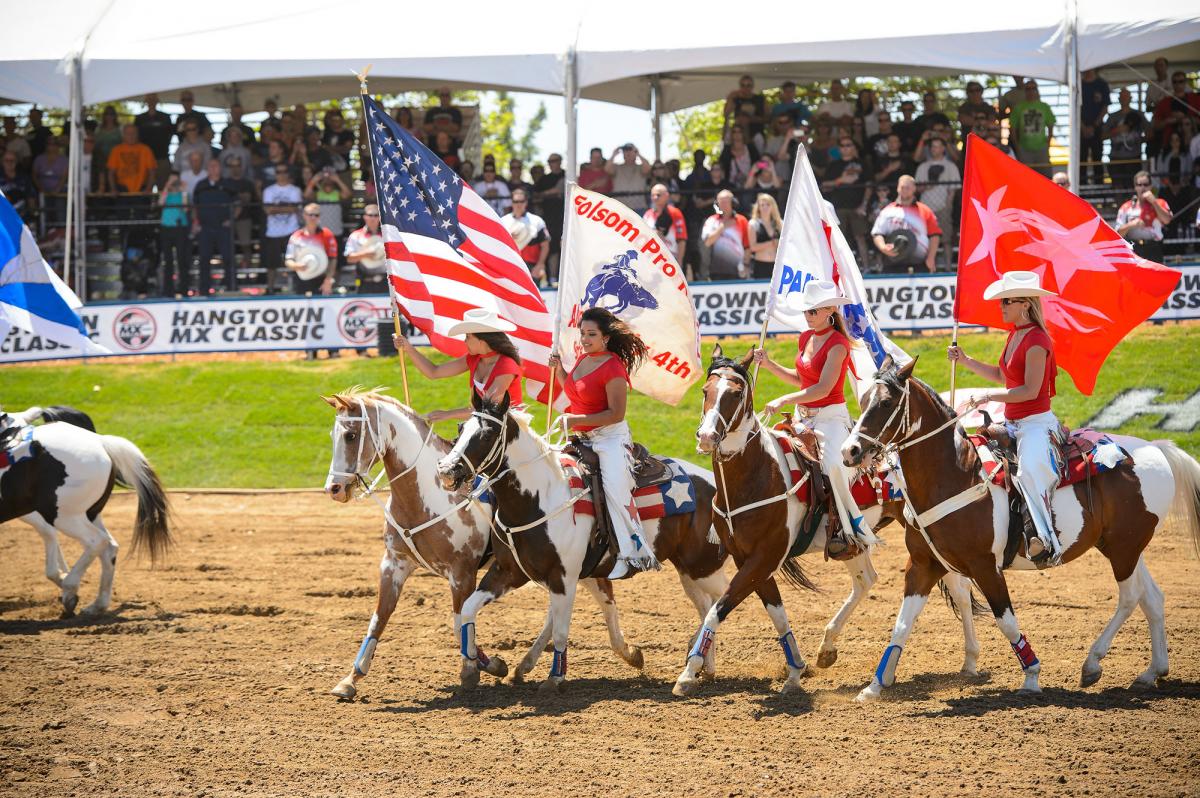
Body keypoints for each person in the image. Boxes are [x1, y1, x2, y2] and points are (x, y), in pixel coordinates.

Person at [753, 279, 877, 556]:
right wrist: (769, 364)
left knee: (833, 465)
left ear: (830, 310)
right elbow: (801, 379)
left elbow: (823, 387)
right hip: (803, 416)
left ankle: (848, 527)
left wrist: (785, 399)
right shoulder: (806, 338)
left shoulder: (839, 344)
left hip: (830, 418)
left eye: (813, 311)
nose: (807, 316)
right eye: (806, 311)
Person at [946, 271, 1061, 564]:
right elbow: (1002, 375)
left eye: (1007, 301)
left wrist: (989, 397)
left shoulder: (1036, 339)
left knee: (1028, 471)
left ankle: (1044, 538)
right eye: (1002, 301)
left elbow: (1030, 391)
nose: (1002, 307)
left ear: (1025, 304)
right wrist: (966, 360)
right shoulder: (1015, 334)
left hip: (1035, 423)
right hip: (1013, 421)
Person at [548, 307, 658, 577]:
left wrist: (572, 421)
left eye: (591, 334)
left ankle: (632, 554)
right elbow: (577, 392)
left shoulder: (613, 367)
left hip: (610, 439)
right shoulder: (583, 360)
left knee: (615, 491)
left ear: (606, 338)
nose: (585, 339)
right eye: (583, 333)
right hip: (582, 437)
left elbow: (615, 414)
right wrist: (559, 371)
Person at [394, 307, 523, 422]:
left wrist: (448, 414)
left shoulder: (507, 366)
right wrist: (408, 348)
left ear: (482, 341)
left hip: (511, 432)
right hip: (486, 429)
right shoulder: (473, 359)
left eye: (468, 336)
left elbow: (488, 408)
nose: (464, 341)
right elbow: (434, 372)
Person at [871, 175, 942, 274]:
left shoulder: (925, 210)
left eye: (907, 188)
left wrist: (931, 258)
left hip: (919, 263)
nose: (904, 190)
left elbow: (935, 236)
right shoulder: (887, 211)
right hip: (892, 262)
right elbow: (877, 234)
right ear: (897, 188)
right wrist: (883, 247)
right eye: (902, 187)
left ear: (914, 189)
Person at [913, 137, 960, 270]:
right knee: (926, 240)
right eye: (933, 146)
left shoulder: (950, 166)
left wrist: (948, 205)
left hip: (943, 207)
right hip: (925, 208)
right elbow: (917, 188)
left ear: (943, 148)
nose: (935, 149)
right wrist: (929, 185)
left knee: (946, 239)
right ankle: (926, 268)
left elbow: (953, 189)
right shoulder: (923, 167)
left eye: (938, 146)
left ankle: (948, 267)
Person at [192, 158, 237, 295]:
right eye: (210, 166)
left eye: (216, 166)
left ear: (220, 168)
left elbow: (238, 204)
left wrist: (231, 219)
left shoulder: (228, 184)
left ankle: (230, 288)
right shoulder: (200, 185)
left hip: (223, 227)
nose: (213, 168)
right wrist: (196, 222)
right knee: (204, 259)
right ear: (207, 169)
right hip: (205, 227)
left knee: (228, 258)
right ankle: (204, 290)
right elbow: (194, 206)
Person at [261, 163, 303, 294]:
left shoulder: (295, 190)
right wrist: (287, 208)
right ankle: (270, 288)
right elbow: (267, 210)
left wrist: (276, 209)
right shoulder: (268, 191)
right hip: (273, 232)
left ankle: (299, 287)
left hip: (292, 231)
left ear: (288, 173)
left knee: (296, 260)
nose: (282, 174)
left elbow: (295, 209)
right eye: (278, 172)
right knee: (271, 264)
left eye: (284, 171)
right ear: (275, 174)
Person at [1116, 170, 1172, 263]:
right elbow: (1117, 234)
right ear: (1135, 187)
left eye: (1146, 185)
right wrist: (1131, 225)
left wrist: (1154, 202)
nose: (1143, 188)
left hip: (1154, 248)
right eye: (1139, 185)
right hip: (1134, 249)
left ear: (1150, 186)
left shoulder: (1160, 203)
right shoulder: (1126, 207)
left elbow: (1167, 220)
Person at [500, 187, 549, 283]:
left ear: (526, 202)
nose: (518, 204)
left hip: (531, 268)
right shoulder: (503, 221)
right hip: (510, 266)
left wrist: (540, 265)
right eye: (515, 201)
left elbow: (545, 246)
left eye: (521, 201)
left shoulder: (537, 221)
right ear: (511, 202)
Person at [1009, 81, 1056, 176]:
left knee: (1046, 177)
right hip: (1024, 149)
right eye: (1028, 89)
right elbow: (1013, 128)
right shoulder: (1019, 107)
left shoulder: (1044, 106)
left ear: (1037, 90)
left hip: (1041, 148)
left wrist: (1048, 143)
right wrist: (1017, 146)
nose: (1031, 91)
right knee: (1025, 177)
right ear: (1025, 91)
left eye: (1033, 88)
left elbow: (1051, 125)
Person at [701, 189, 750, 280]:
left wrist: (746, 265)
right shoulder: (711, 220)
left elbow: (747, 246)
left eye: (726, 202)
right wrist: (722, 227)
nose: (723, 204)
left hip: (738, 269)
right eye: (721, 202)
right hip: (716, 270)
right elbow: (707, 242)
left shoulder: (742, 220)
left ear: (733, 203)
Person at [1104, 88, 1148, 188]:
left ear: (1131, 98)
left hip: (1134, 159)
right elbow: (1102, 136)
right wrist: (1116, 131)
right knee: (1118, 189)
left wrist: (1138, 139)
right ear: (1119, 99)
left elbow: (1150, 133)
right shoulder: (1112, 117)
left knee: (1135, 188)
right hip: (1116, 160)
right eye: (1122, 97)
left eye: (1126, 96)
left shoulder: (1139, 115)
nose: (1124, 99)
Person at [157, 171, 191, 296]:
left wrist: (183, 190)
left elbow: (186, 208)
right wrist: (167, 186)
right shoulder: (166, 194)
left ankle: (184, 289)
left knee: (182, 259)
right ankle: (168, 290)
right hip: (166, 228)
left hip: (180, 228)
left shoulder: (183, 194)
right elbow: (160, 203)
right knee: (168, 260)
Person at [344, 203, 388, 295]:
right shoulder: (355, 236)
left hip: (386, 282)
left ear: (380, 217)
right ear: (364, 217)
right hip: (364, 282)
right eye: (370, 215)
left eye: (376, 215)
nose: (373, 218)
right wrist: (365, 254)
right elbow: (349, 258)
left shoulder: (388, 235)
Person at [135, 94, 174, 190]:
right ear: (146, 101)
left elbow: (171, 133)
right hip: (145, 160)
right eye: (149, 99)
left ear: (157, 101)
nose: (151, 101)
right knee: (145, 190)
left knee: (164, 189)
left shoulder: (165, 117)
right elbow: (135, 137)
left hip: (162, 158)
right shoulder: (139, 118)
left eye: (154, 99)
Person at [643, 183, 687, 268]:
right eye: (652, 195)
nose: (655, 197)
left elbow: (681, 239)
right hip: (651, 260)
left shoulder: (675, 213)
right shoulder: (647, 215)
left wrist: (680, 261)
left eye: (658, 195)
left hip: (671, 259)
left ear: (666, 196)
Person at [1080, 69, 1111, 185]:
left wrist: (1094, 126)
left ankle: (1099, 187)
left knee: (1098, 157)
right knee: (1081, 159)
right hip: (1080, 128)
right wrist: (1083, 127)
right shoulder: (1078, 84)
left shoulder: (1102, 84)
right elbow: (1075, 107)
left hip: (1097, 128)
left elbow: (1105, 107)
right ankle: (1081, 188)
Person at [106, 124, 156, 194]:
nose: (131, 136)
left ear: (137, 134)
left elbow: (152, 172)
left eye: (133, 133)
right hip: (122, 190)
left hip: (142, 190)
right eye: (128, 133)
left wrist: (148, 188)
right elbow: (111, 173)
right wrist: (113, 189)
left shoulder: (146, 150)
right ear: (123, 135)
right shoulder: (116, 150)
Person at [606, 144, 651, 214]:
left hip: (639, 207)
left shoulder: (640, 167)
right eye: (625, 151)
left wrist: (638, 154)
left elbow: (648, 168)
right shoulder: (617, 167)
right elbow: (607, 169)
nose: (628, 153)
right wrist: (614, 155)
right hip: (620, 208)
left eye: (630, 150)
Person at [747, 193, 782, 279]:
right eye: (762, 205)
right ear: (758, 207)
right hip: (760, 265)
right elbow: (753, 247)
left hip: (777, 266)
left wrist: (777, 244)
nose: (765, 207)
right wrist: (771, 243)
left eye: (768, 204)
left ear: (773, 206)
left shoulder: (780, 223)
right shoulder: (753, 223)